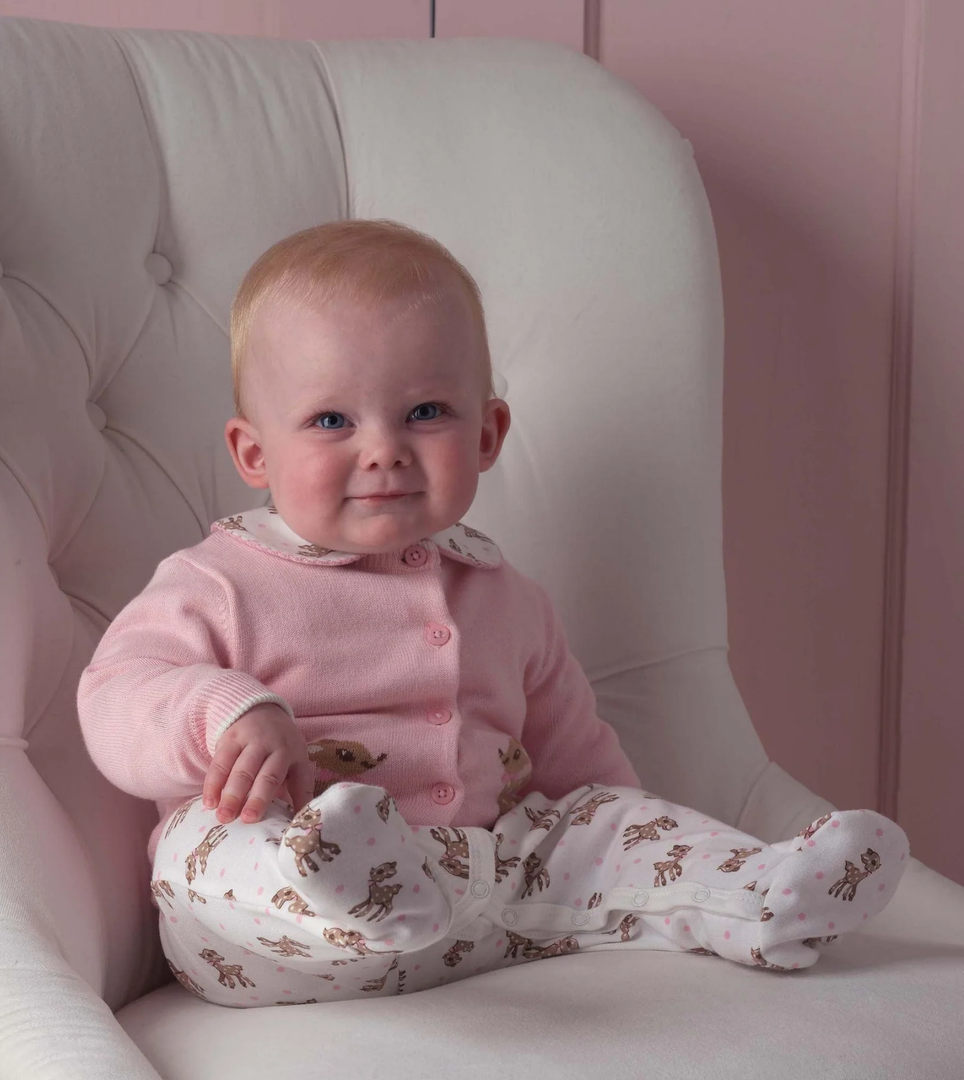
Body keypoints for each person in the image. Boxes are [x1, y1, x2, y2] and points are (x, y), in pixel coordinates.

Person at [77, 219, 909, 1007]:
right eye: (332, 420)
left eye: (426, 413)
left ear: (488, 434)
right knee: (204, 846)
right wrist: (230, 711)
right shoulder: (219, 581)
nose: (383, 449)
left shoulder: (504, 597)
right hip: (267, 941)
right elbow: (115, 693)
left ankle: (761, 895)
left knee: (602, 823)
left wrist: (624, 840)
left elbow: (577, 760)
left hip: (475, 900)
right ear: (255, 454)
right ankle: (340, 881)